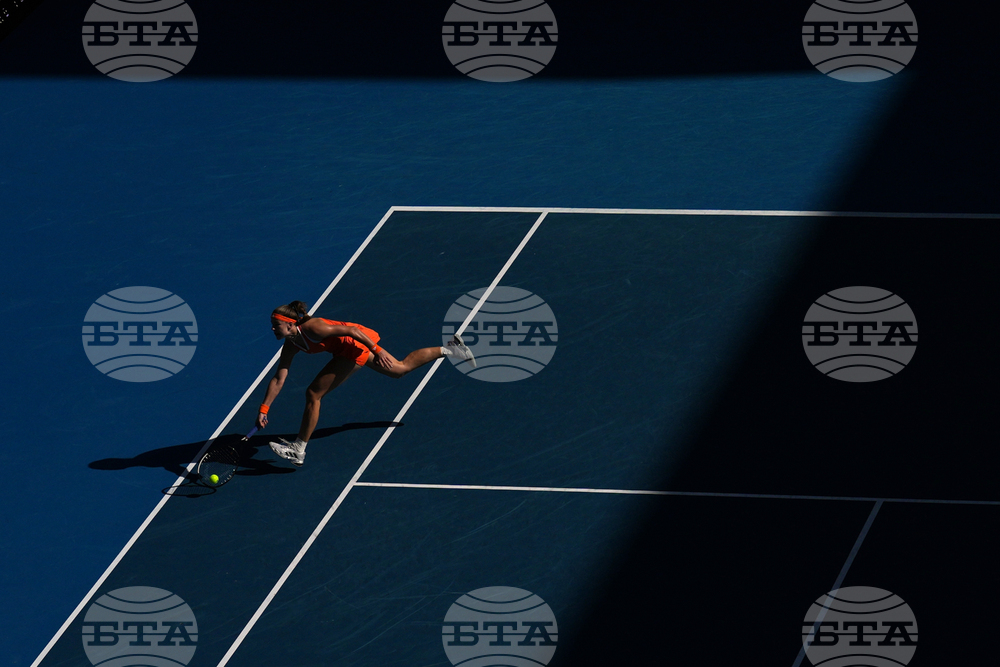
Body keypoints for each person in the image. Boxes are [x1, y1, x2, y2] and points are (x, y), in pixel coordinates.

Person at [256, 300, 475, 466]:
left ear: (290, 324)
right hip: (345, 350)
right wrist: (264, 408)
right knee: (399, 370)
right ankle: (451, 349)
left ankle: (299, 448)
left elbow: (353, 331)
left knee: (313, 394)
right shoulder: (291, 344)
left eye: (276, 325)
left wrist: (377, 350)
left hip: (356, 346)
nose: (273, 329)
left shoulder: (314, 328)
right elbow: (279, 377)